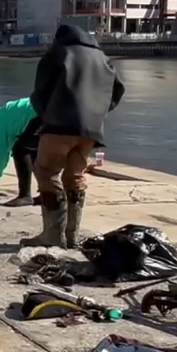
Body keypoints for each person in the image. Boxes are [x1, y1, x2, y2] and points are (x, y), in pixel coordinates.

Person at [22, 24, 125, 248]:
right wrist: (97, 113)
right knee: (75, 176)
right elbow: (117, 91)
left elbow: (40, 91)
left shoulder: (58, 53)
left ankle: (52, 235)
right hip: (90, 130)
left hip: (60, 124)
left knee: (46, 172)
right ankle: (72, 237)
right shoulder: (103, 58)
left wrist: (47, 114)